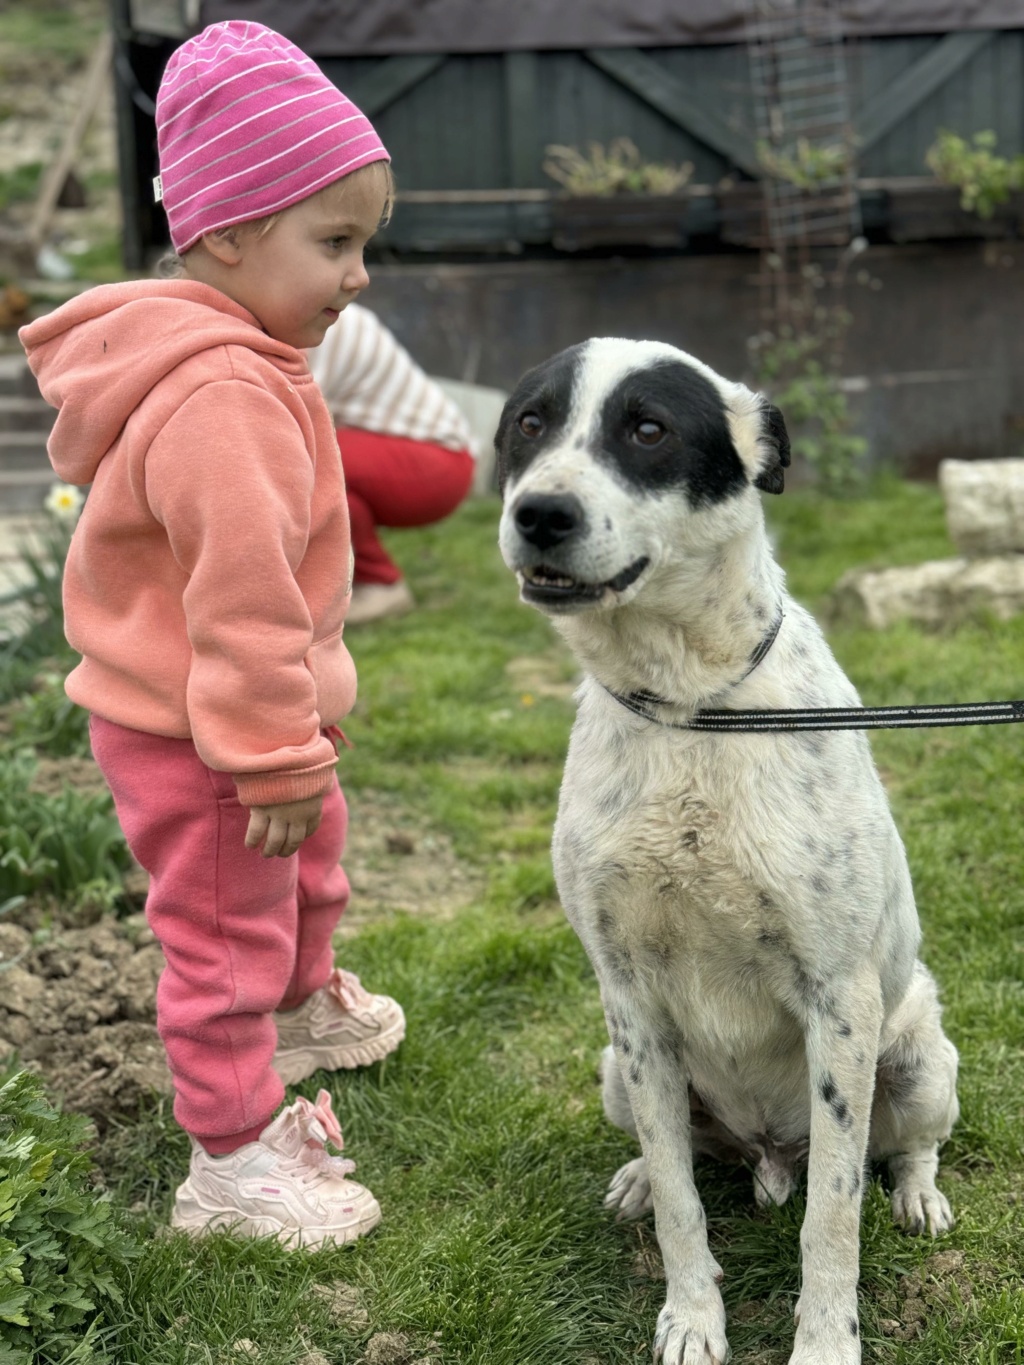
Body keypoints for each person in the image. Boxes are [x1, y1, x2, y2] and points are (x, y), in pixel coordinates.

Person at [19, 21, 405, 1248]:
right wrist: (272, 751)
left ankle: (298, 1009)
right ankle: (231, 1159)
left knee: (312, 860)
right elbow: (236, 597)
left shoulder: (250, 354)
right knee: (225, 932)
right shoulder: (222, 391)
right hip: (203, 729)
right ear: (230, 235)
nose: (357, 276)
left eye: (365, 244)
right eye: (333, 242)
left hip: (238, 707)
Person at [307, 305, 476, 624]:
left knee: (304, 461)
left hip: (438, 464)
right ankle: (354, 580)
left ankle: (380, 583)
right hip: (434, 457)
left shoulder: (311, 319)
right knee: (309, 461)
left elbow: (290, 409)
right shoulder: (319, 307)